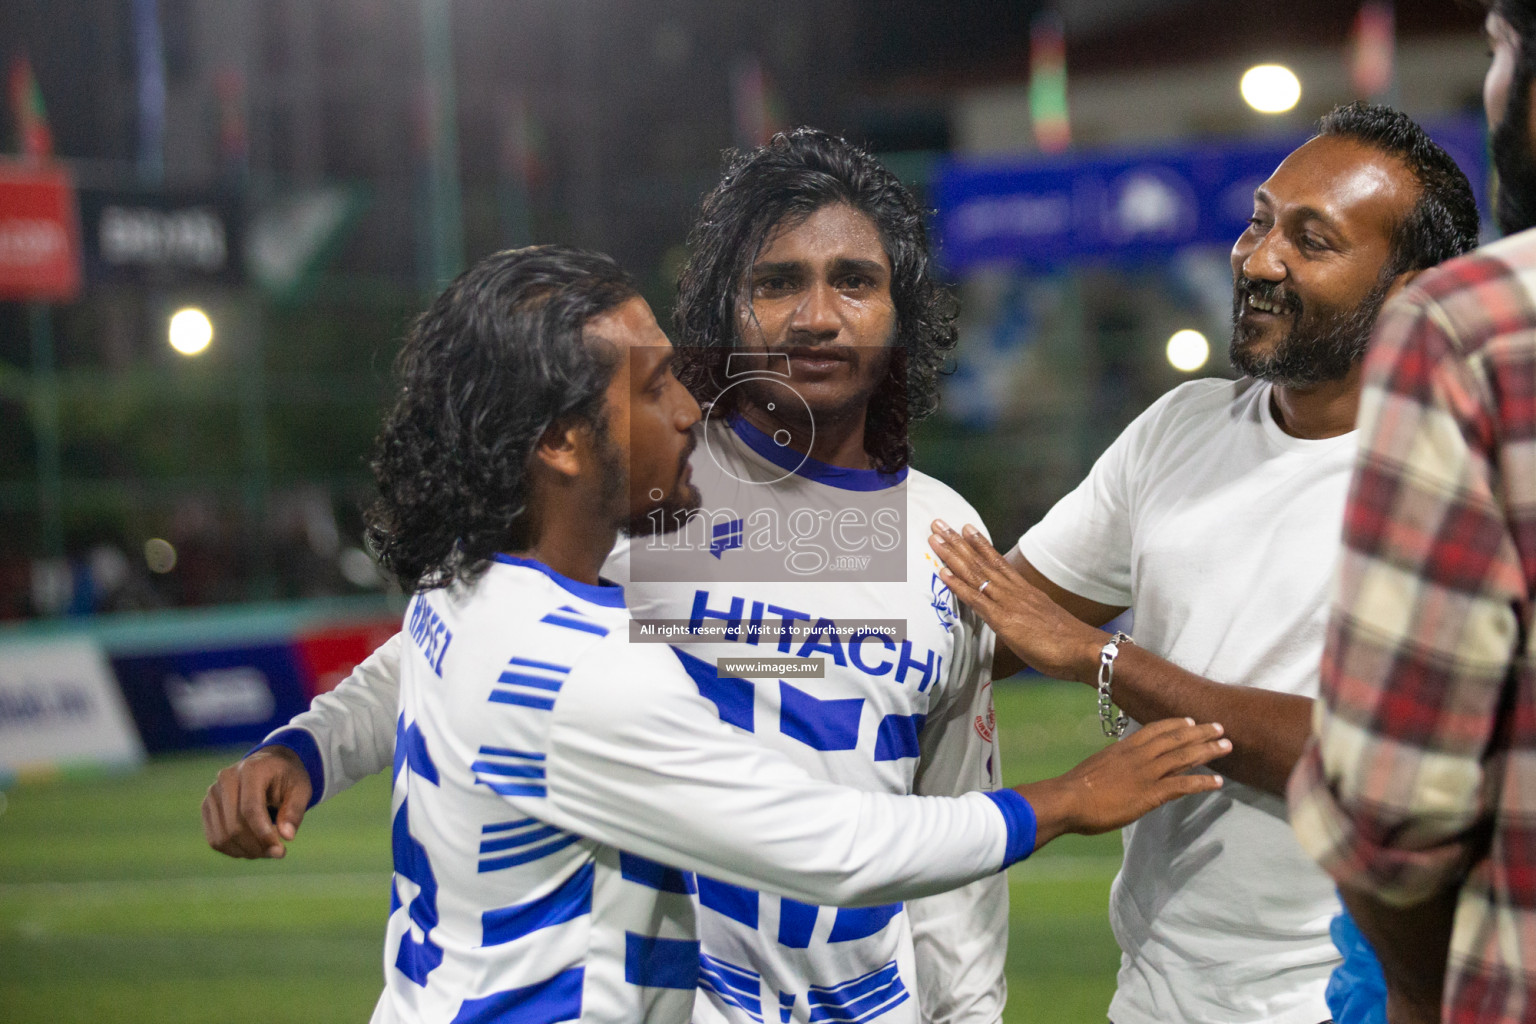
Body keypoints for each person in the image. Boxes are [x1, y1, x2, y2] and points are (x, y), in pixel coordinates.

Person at [204, 131, 1100, 1023]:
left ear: (901, 310)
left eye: (854, 281)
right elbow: (447, 659)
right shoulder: (643, 484)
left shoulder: (941, 535)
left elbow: (952, 805)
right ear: (726, 305)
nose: (816, 316)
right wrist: (310, 747)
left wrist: (967, 1013)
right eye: (777, 281)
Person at [923, 103, 1479, 1024]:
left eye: (1313, 239)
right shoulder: (1182, 430)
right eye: (1260, 219)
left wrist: (1105, 661)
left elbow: (1369, 758)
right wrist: (738, 616)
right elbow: (993, 626)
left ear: (1412, 290)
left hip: (1341, 999)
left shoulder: (1459, 479)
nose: (1258, 259)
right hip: (1156, 990)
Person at [1286, 6, 1536, 1024]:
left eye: (1498, 51)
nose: (1262, 259)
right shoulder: (1173, 436)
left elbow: (1393, 813)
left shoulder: (1475, 335)